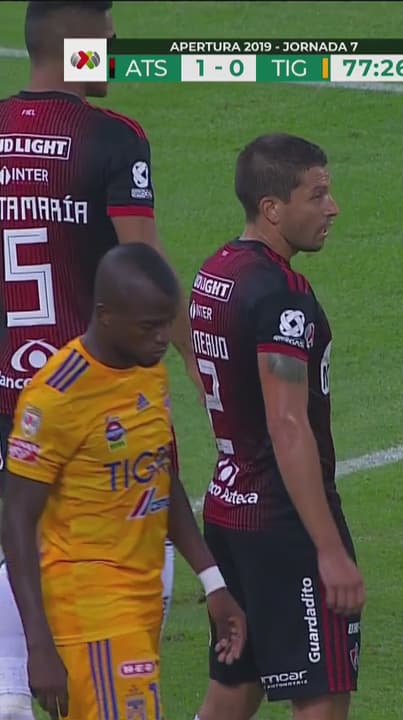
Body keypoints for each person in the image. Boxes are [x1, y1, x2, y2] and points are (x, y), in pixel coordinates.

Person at [0, 3, 202, 716]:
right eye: (106, 30)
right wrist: (200, 361)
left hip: (8, 402)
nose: (116, 41)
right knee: (125, 580)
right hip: (91, 403)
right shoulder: (113, 139)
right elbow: (146, 269)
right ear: (76, 41)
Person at [0, 243, 247, 720]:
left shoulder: (147, 374)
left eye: (166, 324)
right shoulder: (57, 395)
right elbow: (16, 519)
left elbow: (160, 475)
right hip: (88, 611)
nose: (162, 340)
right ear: (106, 315)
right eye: (149, 326)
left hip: (140, 603)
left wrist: (212, 580)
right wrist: (39, 645)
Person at [191, 133, 362, 720]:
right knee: (321, 696)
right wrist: (328, 550)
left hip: (227, 506)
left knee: (236, 687)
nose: (332, 208)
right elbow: (288, 424)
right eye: (316, 196)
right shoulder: (282, 295)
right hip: (282, 520)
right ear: (272, 208)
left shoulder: (215, 271)